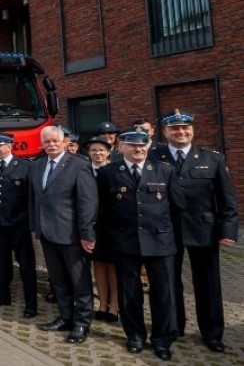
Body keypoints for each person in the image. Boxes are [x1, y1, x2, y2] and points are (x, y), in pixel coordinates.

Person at [149, 109, 238, 354]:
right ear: (165, 132)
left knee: (208, 284)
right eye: (174, 128)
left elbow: (226, 199)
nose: (181, 132)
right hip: (166, 230)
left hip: (204, 230)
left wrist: (228, 230)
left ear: (192, 130)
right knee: (168, 283)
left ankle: (212, 333)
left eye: (185, 128)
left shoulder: (212, 158)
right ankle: (172, 328)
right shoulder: (154, 157)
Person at [96, 130, 182, 360]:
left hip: (160, 242)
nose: (138, 150)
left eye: (143, 146)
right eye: (132, 146)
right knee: (129, 293)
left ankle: (163, 339)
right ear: (121, 147)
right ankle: (134, 335)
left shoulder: (165, 170)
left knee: (164, 294)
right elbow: (102, 211)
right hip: (125, 243)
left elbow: (176, 209)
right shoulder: (108, 173)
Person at [30, 125, 97, 345]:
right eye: (46, 141)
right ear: (42, 144)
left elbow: (87, 203)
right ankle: (66, 317)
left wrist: (87, 234)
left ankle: (82, 323)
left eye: (55, 141)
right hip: (47, 235)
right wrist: (36, 227)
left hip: (72, 236)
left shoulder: (79, 165)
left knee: (80, 282)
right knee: (58, 281)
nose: (50, 144)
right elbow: (35, 200)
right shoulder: (37, 166)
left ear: (65, 143)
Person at [0, 134, 37, 318]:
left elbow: (31, 197)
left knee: (26, 266)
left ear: (10, 146)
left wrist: (27, 220)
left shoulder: (26, 166)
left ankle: (31, 304)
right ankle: (2, 296)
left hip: (18, 225)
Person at [87, 136, 119, 324]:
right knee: (98, 264)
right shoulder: (85, 170)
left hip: (113, 225)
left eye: (101, 150)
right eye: (93, 150)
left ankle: (114, 305)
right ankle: (102, 303)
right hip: (93, 224)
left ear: (108, 152)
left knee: (113, 266)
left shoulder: (115, 171)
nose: (97, 153)